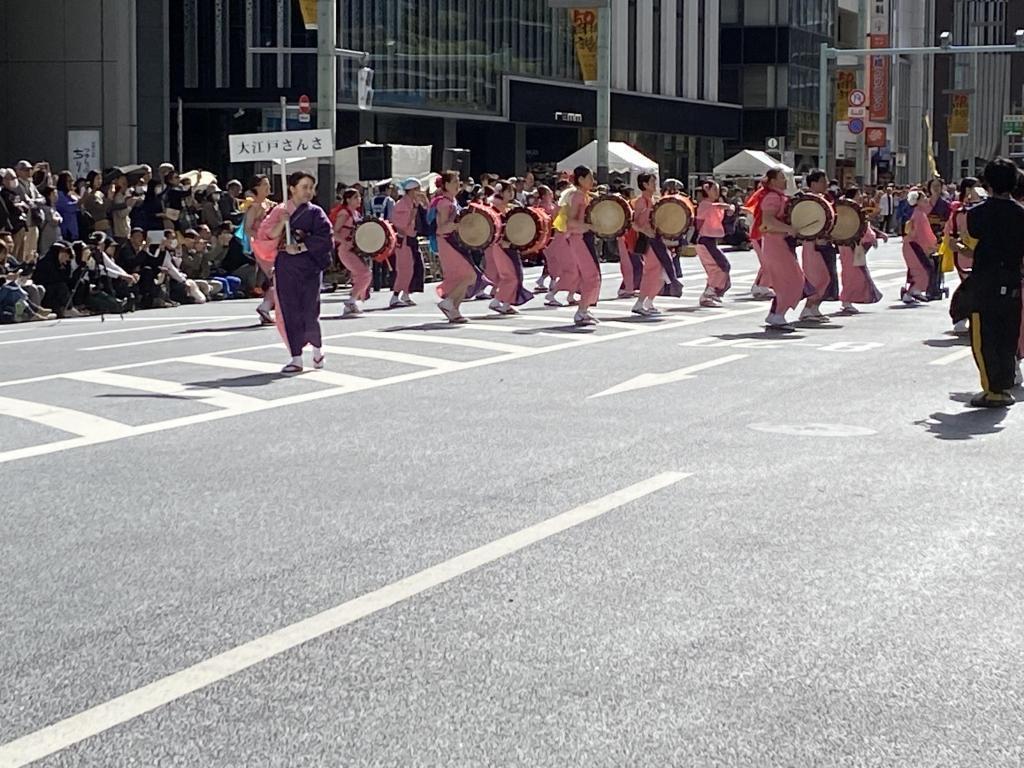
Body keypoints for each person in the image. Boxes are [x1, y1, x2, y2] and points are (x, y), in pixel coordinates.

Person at [960, 158, 1024, 407]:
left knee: (984, 335)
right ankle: (1005, 384)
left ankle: (992, 388)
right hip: (1012, 279)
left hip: (985, 280)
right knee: (1008, 334)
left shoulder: (977, 214)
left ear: (987, 183)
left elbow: (970, 244)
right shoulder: (1021, 214)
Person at [257, 171, 334, 373]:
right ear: (291, 188)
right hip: (286, 265)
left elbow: (325, 237)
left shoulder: (316, 212)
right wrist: (283, 222)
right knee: (290, 309)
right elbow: (267, 235)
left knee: (310, 309)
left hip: (309, 265)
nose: (309, 192)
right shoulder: (279, 210)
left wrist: (301, 247)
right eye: (304, 187)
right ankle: (296, 357)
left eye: (311, 187)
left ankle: (317, 350)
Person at [756, 168, 808, 330]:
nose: (785, 181)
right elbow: (768, 221)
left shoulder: (779, 196)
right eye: (781, 178)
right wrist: (788, 228)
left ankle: (777, 313)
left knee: (792, 279)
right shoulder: (772, 197)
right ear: (772, 181)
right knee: (790, 280)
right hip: (775, 244)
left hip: (781, 243)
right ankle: (777, 314)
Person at [435, 170, 487, 323]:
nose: (458, 184)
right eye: (454, 182)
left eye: (458, 181)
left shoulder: (452, 201)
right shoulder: (444, 203)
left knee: (462, 277)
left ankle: (454, 310)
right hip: (447, 242)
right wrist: (459, 225)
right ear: (445, 185)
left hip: (454, 242)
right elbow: (441, 228)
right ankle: (449, 302)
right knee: (470, 275)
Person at [561, 165, 602, 326]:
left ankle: (584, 309)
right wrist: (589, 227)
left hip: (584, 237)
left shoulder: (584, 195)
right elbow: (569, 221)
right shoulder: (577, 196)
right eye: (590, 178)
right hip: (579, 238)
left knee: (592, 275)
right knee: (591, 275)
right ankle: (581, 311)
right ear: (581, 179)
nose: (593, 181)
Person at [799, 169, 840, 322]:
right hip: (813, 244)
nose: (827, 184)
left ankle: (814, 308)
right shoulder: (807, 201)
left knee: (827, 278)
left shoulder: (824, 199)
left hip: (826, 242)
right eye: (823, 181)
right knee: (818, 277)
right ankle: (808, 308)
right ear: (813, 183)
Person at [837, 188, 885, 314]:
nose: (861, 196)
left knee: (856, 274)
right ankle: (846, 300)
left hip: (855, 245)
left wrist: (876, 235)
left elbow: (865, 225)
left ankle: (848, 299)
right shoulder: (847, 209)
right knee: (852, 274)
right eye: (858, 194)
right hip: (850, 245)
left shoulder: (855, 208)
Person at [694, 179, 734, 307]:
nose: (717, 192)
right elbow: (714, 208)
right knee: (720, 267)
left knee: (719, 267)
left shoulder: (712, 204)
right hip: (705, 241)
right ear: (707, 189)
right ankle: (709, 294)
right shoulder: (705, 205)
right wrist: (728, 206)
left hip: (709, 241)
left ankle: (712, 293)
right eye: (714, 189)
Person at [333, 188, 371, 317]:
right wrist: (344, 242)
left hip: (354, 250)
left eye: (359, 197)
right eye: (356, 197)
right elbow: (334, 231)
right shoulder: (344, 213)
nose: (359, 200)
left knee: (363, 274)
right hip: (346, 250)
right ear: (348, 199)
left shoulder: (355, 213)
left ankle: (353, 301)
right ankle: (351, 301)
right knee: (364, 274)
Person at [389, 177, 427, 307]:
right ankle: (395, 296)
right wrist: (414, 211)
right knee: (404, 268)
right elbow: (402, 224)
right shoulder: (401, 205)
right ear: (411, 190)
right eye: (417, 189)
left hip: (412, 238)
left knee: (413, 267)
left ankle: (406, 293)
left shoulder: (413, 203)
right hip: (404, 239)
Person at [244, 175, 276, 324]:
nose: (268, 187)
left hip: (275, 244)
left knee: (279, 277)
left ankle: (266, 306)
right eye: (265, 184)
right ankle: (266, 306)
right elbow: (247, 228)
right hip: (263, 246)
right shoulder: (254, 207)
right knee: (278, 275)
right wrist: (262, 238)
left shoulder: (271, 204)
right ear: (256, 187)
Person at [901, 188, 937, 304]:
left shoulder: (918, 213)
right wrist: (932, 243)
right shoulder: (919, 214)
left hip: (912, 244)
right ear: (918, 201)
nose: (926, 199)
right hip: (914, 245)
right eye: (923, 198)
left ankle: (911, 291)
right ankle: (913, 290)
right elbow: (923, 233)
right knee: (923, 269)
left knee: (918, 269)